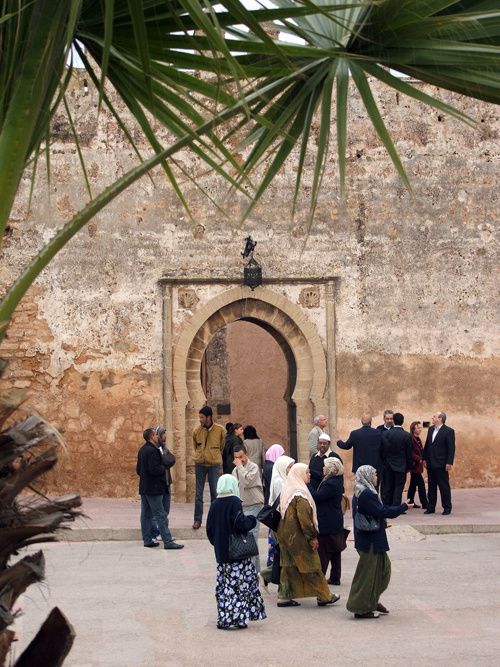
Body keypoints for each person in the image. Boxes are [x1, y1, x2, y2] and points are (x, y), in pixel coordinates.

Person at [206, 475, 267, 630]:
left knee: (225, 587)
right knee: (239, 586)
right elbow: (240, 524)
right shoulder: (234, 502)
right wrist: (252, 520)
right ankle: (239, 619)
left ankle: (224, 618)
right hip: (236, 554)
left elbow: (209, 530)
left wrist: (218, 544)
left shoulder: (214, 504)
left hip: (222, 554)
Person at [346, 465, 408, 619]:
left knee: (383, 570)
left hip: (372, 539)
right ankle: (361, 608)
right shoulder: (365, 493)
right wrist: (402, 507)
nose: (376, 477)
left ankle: (371, 601)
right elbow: (381, 511)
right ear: (366, 475)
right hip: (370, 541)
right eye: (373, 474)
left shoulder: (364, 491)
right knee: (367, 576)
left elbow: (376, 512)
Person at [277, 463, 340, 608]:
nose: (309, 475)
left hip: (285, 535)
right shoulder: (300, 495)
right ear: (299, 474)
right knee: (312, 565)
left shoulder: (288, 490)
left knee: (289, 566)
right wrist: (312, 537)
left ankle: (284, 596)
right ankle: (324, 596)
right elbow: (304, 519)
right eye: (306, 472)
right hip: (298, 537)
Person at [136, 428, 184, 550]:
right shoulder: (152, 451)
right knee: (160, 514)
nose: (158, 436)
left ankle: (147, 540)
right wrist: (164, 468)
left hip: (145, 487)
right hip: (154, 488)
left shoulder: (142, 450)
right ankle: (168, 541)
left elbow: (138, 470)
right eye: (156, 434)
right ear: (152, 437)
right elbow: (155, 469)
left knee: (146, 514)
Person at [260, 454, 295, 588]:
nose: (290, 469)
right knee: (283, 555)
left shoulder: (280, 479)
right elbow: (284, 502)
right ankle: (279, 585)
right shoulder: (280, 481)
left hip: (280, 521)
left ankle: (268, 576)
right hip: (281, 521)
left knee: (281, 555)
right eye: (289, 467)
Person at [311, 457, 347, 586]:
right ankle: (335, 577)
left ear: (331, 469)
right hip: (335, 521)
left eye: (325, 466)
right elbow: (320, 475)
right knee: (336, 550)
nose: (323, 468)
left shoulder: (330, 484)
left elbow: (318, 497)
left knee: (324, 553)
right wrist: (310, 471)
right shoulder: (335, 479)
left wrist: (308, 484)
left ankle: (320, 581)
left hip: (328, 522)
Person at [232, 443, 264, 572]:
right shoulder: (235, 471)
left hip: (255, 505)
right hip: (242, 506)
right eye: (237, 458)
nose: (240, 460)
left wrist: (240, 467)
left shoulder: (254, 467)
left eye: (241, 456)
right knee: (244, 538)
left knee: (252, 537)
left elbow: (246, 482)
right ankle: (247, 569)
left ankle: (256, 571)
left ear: (246, 454)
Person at [192, 405, 225, 529]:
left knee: (215, 494)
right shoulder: (197, 430)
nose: (200, 419)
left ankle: (214, 520)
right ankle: (197, 520)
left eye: (202, 417)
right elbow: (195, 446)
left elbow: (222, 446)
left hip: (214, 464)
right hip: (200, 464)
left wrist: (213, 455)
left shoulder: (220, 430)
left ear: (208, 417)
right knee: (198, 494)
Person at [150, 426, 179, 544]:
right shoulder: (154, 450)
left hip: (167, 482)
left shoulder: (164, 449)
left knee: (165, 509)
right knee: (157, 511)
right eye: (163, 435)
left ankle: (163, 532)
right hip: (158, 484)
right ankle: (155, 533)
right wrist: (164, 461)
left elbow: (172, 459)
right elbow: (165, 461)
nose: (165, 437)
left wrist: (165, 461)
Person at [423, 411, 455, 515]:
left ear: (440, 419)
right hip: (431, 463)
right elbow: (427, 445)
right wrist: (424, 459)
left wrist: (449, 462)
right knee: (431, 486)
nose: (432, 418)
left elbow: (451, 448)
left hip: (441, 463)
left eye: (434, 416)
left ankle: (447, 507)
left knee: (443, 486)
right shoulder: (431, 429)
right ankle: (431, 507)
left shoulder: (448, 431)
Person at [380, 412, 413, 506]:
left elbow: (382, 450)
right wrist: (410, 467)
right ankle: (396, 505)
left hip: (388, 464)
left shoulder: (386, 434)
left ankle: (387, 504)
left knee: (388, 485)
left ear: (393, 421)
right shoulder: (406, 435)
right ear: (402, 421)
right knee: (399, 486)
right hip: (401, 465)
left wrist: (384, 462)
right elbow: (409, 453)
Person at [406, 421, 428, 509]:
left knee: (413, 485)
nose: (420, 429)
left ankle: (410, 501)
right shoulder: (411, 439)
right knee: (421, 485)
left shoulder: (417, 439)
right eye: (418, 428)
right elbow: (410, 452)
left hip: (418, 466)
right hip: (415, 465)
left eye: (420, 427)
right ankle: (425, 503)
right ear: (413, 429)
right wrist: (419, 459)